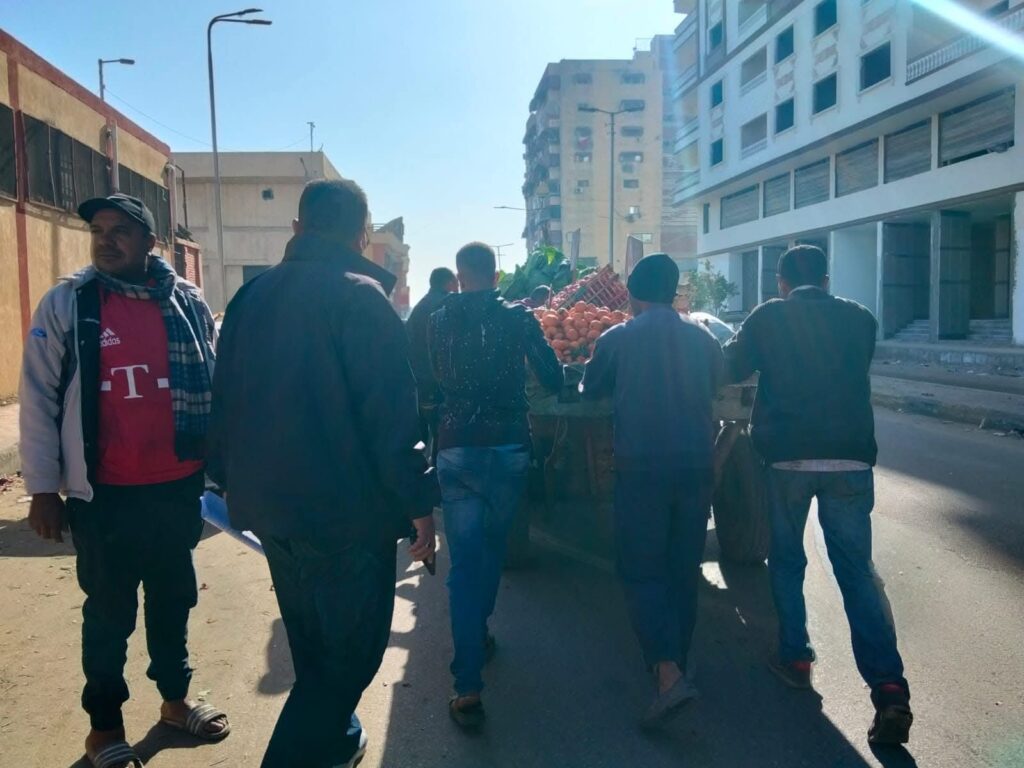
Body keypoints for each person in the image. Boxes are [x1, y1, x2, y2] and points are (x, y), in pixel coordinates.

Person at [207, 179, 437, 768]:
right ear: (362, 236)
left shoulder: (250, 297)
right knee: (349, 659)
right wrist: (419, 505)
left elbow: (223, 400)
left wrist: (228, 480)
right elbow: (392, 420)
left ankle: (335, 743)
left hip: (272, 513)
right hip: (343, 518)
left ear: (297, 228)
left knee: (313, 646)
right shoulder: (361, 298)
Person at [20, 193, 227, 768]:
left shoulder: (186, 301)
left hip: (176, 485)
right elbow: (38, 395)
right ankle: (104, 729)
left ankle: (175, 703)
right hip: (105, 493)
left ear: (149, 243)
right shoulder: (71, 303)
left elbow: (214, 380)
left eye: (120, 231)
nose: (105, 240)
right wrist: (44, 488)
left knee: (173, 601)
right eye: (98, 231)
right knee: (110, 614)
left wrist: (223, 471)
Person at [723, 244, 912, 745]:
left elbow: (730, 368)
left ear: (781, 283)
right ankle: (889, 688)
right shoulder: (861, 318)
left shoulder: (768, 317)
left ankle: (795, 657)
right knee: (857, 572)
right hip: (850, 459)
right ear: (827, 280)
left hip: (787, 459)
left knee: (787, 561)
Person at [580, 253, 724, 726]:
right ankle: (678, 660)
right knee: (683, 567)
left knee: (642, 569)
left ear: (632, 296)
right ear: (673, 293)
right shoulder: (703, 338)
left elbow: (590, 388)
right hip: (696, 469)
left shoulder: (618, 338)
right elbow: (719, 384)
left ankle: (666, 673)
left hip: (642, 470)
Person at [428, 242, 563, 729]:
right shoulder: (518, 319)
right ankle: (478, 631)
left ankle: (467, 685)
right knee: (491, 551)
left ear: (460, 276)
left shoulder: (438, 320)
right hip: (507, 449)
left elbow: (431, 381)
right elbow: (552, 378)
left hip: (455, 448)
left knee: (465, 564)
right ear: (497, 275)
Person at [406, 266, 458, 464]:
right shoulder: (446, 305)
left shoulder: (420, 307)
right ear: (449, 283)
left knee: (422, 436)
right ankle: (436, 473)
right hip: (437, 383)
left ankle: (419, 470)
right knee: (441, 434)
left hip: (418, 382)